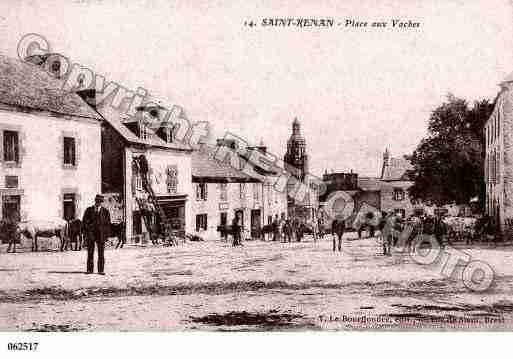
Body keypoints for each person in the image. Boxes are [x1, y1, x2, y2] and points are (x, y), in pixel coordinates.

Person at [82, 194, 111, 275]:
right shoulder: (88, 210)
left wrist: (106, 236)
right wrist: (86, 233)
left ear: (102, 202)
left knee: (101, 253)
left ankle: (101, 270)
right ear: (95, 201)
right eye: (97, 201)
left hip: (101, 235)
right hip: (91, 234)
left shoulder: (105, 212)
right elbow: (84, 222)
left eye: (101, 202)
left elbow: (108, 225)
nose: (99, 203)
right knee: (90, 253)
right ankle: (89, 270)